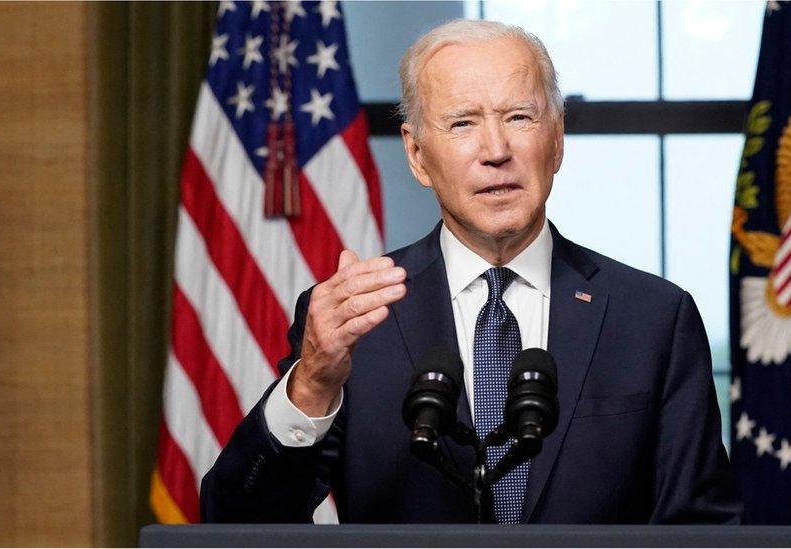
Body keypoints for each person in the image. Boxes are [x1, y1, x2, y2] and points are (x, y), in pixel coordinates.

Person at [201, 19, 741, 524]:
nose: (496, 150)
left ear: (556, 140)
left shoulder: (653, 319)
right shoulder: (357, 320)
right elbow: (237, 521)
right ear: (417, 155)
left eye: (519, 117)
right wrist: (313, 383)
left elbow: (703, 529)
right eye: (463, 123)